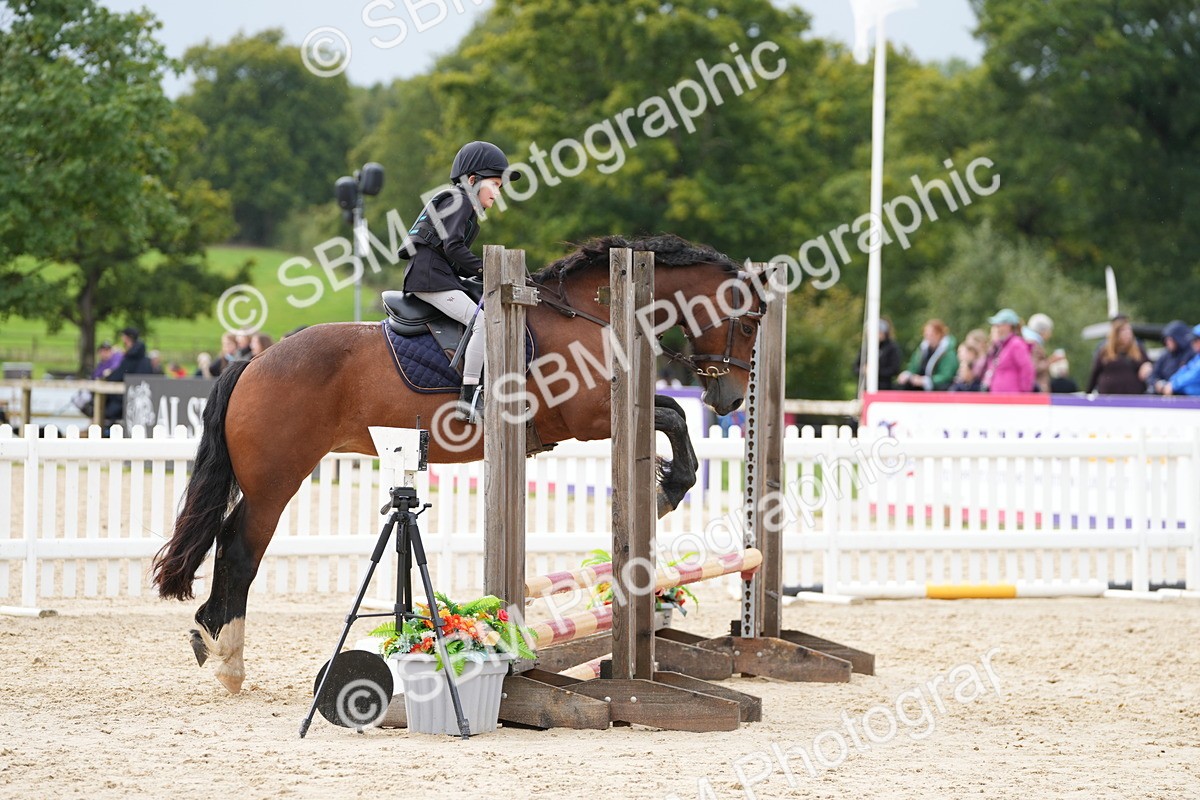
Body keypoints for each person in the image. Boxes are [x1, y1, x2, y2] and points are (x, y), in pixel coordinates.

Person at [402, 141, 522, 421]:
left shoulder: (462, 206)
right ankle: (469, 398)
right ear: (471, 180)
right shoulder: (460, 200)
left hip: (437, 274)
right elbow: (453, 247)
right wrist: (486, 270)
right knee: (482, 321)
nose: (497, 192)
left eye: (500, 187)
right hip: (430, 278)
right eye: (494, 184)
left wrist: (476, 274)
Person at [1086, 317, 1150, 394]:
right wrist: (1088, 393)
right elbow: (1095, 373)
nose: (1127, 333)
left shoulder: (1138, 351)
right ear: (1115, 333)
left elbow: (1148, 368)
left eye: (1129, 330)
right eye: (1123, 330)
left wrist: (1147, 367)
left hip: (1133, 396)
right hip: (1108, 396)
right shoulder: (1104, 352)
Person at [104, 327, 155, 421]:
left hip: (128, 400)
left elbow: (116, 376)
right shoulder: (146, 359)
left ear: (127, 339)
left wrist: (107, 376)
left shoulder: (130, 359)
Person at [896, 319, 959, 391]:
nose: (928, 338)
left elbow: (946, 376)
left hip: (938, 387)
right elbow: (913, 367)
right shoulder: (922, 350)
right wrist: (908, 374)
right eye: (926, 335)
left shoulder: (948, 353)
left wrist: (926, 381)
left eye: (931, 335)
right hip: (920, 384)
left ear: (939, 334)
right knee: (903, 385)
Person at [981, 308, 1034, 393]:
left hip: (1012, 397)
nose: (996, 329)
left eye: (998, 325)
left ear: (1008, 326)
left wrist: (1024, 392)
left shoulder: (1016, 344)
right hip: (999, 396)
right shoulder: (1002, 345)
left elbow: (1027, 368)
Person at [1145, 320, 1194, 394]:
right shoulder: (1165, 355)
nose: (1167, 342)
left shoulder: (1191, 354)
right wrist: (1157, 383)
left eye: (1171, 339)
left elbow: (1191, 376)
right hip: (1163, 393)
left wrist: (1173, 385)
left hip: (1182, 395)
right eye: (1166, 340)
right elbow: (1153, 374)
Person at [853, 319, 903, 390]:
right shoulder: (865, 348)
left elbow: (894, 369)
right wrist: (863, 370)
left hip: (884, 388)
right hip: (864, 388)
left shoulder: (892, 347)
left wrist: (875, 371)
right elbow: (856, 367)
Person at [1162, 325, 1200, 396]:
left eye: (1195, 340)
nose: (1192, 343)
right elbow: (1186, 369)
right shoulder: (1197, 357)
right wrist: (1171, 382)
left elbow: (1194, 375)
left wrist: (1173, 385)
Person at [1023, 313, 1054, 392]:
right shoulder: (1033, 344)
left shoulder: (1028, 341)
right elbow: (1033, 367)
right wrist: (1051, 361)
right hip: (1036, 389)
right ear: (1043, 331)